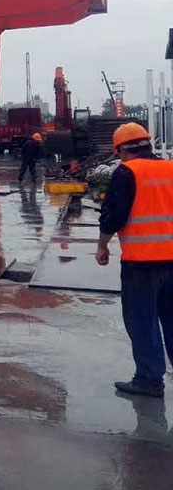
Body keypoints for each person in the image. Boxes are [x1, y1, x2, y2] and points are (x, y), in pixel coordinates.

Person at [96, 122, 173, 398]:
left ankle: (149, 380)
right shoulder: (170, 168)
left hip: (142, 262)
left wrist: (102, 246)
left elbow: (114, 216)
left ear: (121, 150)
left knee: (142, 320)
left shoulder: (127, 172)